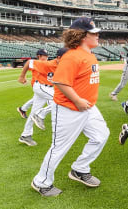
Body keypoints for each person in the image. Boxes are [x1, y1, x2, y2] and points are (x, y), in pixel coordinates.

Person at [32, 17, 109, 197]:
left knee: (101, 136)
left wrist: (84, 102)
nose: (98, 35)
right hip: (69, 109)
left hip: (88, 108)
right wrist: (78, 100)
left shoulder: (89, 54)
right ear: (82, 35)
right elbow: (60, 81)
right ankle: (41, 182)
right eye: (94, 33)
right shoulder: (72, 56)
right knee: (59, 148)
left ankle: (79, 169)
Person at [17, 48, 68, 146]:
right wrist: (22, 76)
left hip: (46, 88)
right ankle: (41, 115)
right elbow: (29, 62)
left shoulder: (63, 65)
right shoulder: (48, 64)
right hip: (41, 86)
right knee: (61, 100)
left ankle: (25, 135)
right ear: (58, 58)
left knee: (33, 112)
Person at [17, 49, 49, 119]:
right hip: (37, 84)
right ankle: (40, 114)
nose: (46, 57)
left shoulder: (45, 63)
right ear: (39, 56)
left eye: (47, 56)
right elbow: (27, 65)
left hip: (43, 84)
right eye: (44, 56)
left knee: (37, 99)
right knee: (49, 98)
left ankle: (23, 109)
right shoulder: (36, 63)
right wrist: (23, 76)